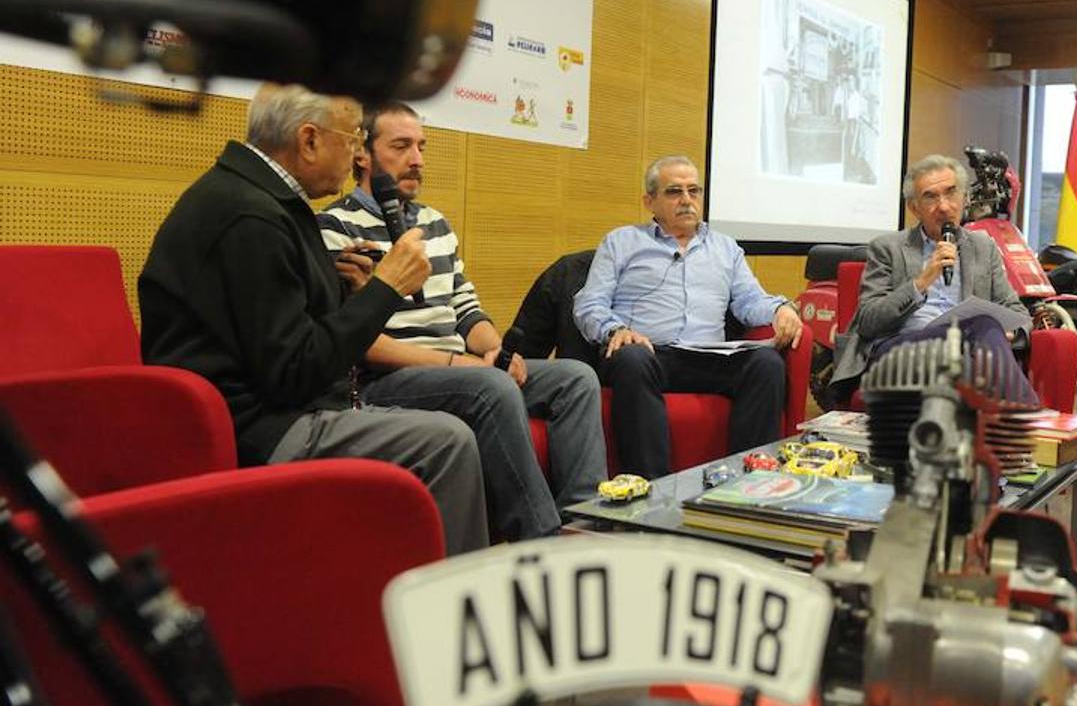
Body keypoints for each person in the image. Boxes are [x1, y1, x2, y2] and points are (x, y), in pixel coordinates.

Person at [139, 84, 489, 555]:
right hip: (258, 429)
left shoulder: (259, 199)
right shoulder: (251, 216)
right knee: (447, 442)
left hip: (281, 409)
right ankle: (449, 618)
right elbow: (294, 372)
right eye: (351, 139)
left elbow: (284, 326)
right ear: (308, 140)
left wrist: (344, 289)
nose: (354, 155)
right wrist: (386, 288)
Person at [317, 101, 606, 540]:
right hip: (388, 378)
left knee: (576, 378)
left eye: (421, 147)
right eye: (401, 146)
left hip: (455, 370)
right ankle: (541, 539)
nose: (417, 159)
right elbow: (360, 342)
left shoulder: (434, 223)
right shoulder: (335, 226)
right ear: (363, 155)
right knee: (490, 386)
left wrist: (492, 348)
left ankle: (586, 521)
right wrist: (459, 366)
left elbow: (465, 307)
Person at [573, 155, 805, 478]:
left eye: (694, 191)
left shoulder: (725, 248)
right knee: (631, 360)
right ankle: (652, 489)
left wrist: (780, 308)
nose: (687, 200)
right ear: (649, 201)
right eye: (674, 192)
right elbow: (589, 303)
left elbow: (750, 300)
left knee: (766, 365)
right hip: (648, 353)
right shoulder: (621, 242)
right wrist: (615, 330)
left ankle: (746, 484)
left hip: (709, 357)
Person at [830, 153, 1034, 403]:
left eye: (951, 193)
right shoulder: (888, 248)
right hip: (902, 349)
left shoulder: (983, 247)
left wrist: (1008, 334)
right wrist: (921, 282)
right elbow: (870, 321)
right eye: (931, 197)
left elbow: (1017, 312)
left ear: (965, 197)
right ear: (914, 208)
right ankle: (1028, 421)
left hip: (967, 350)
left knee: (981, 334)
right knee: (982, 326)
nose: (944, 206)